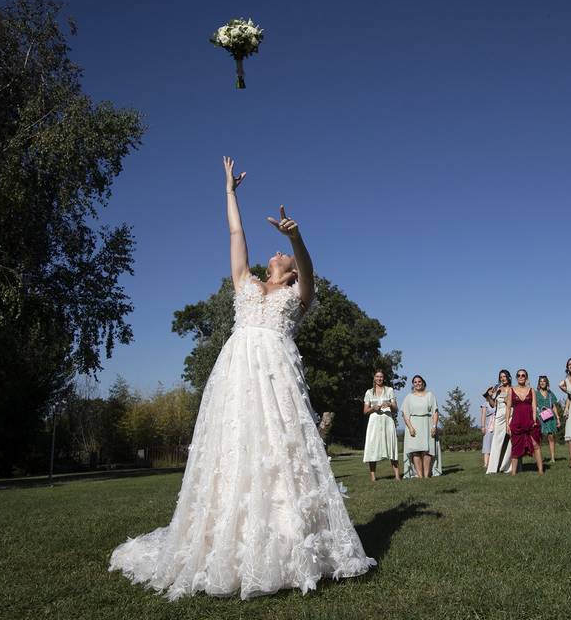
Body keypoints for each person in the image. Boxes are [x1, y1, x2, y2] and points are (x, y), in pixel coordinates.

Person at [109, 157, 375, 599]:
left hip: (276, 373)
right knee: (235, 444)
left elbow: (310, 272)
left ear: (289, 269)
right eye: (279, 250)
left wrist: (297, 237)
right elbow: (236, 235)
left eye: (283, 254)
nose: (276, 253)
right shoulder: (244, 283)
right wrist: (230, 193)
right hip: (236, 370)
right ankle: (228, 537)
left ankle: (292, 543)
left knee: (280, 445)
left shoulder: (298, 295)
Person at [363, 370, 400, 481]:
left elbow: (395, 408)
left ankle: (397, 476)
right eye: (377, 376)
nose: (379, 378)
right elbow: (365, 411)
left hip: (387, 420)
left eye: (381, 377)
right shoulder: (369, 392)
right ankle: (373, 477)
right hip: (374, 422)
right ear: (374, 378)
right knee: (372, 446)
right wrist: (373, 408)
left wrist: (389, 404)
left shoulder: (389, 390)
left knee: (391, 445)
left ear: (384, 378)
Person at [506, 369, 544, 475]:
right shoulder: (511, 390)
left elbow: (534, 405)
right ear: (516, 377)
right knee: (515, 447)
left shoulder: (531, 390)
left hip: (529, 421)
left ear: (526, 377)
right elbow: (508, 408)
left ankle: (540, 470)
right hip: (516, 422)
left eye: (523, 375)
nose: (521, 377)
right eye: (518, 375)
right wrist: (506, 424)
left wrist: (534, 421)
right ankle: (513, 473)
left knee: (535, 444)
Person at [401, 375, 439, 478]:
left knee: (427, 451)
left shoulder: (430, 395)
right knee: (415, 451)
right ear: (413, 384)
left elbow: (435, 412)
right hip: (414, 425)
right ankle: (420, 475)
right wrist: (410, 428)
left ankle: (426, 476)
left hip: (427, 424)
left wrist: (434, 426)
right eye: (415, 382)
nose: (417, 383)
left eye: (419, 381)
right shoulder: (409, 397)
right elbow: (405, 414)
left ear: (423, 383)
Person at [485, 370, 513, 474]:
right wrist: (489, 396)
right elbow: (493, 405)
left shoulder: (513, 389)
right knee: (496, 441)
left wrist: (509, 401)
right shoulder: (498, 389)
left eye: (505, 376)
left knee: (511, 442)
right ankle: (492, 468)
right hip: (499, 416)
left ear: (509, 377)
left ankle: (507, 467)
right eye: (501, 377)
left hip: (511, 415)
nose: (503, 378)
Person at [535, 375, 562, 463]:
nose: (542, 383)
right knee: (539, 438)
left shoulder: (550, 393)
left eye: (544, 381)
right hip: (540, 418)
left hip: (550, 418)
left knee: (551, 437)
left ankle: (552, 458)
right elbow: (533, 406)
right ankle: (539, 459)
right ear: (539, 383)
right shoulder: (536, 393)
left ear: (547, 383)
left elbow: (554, 406)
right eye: (541, 381)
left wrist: (558, 418)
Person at [480, 391, 495, 468]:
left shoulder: (496, 402)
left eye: (492, 391)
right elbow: (483, 415)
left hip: (497, 426)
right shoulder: (485, 404)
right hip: (488, 426)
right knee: (487, 445)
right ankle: (486, 463)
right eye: (490, 391)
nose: (491, 392)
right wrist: (483, 426)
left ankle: (494, 463)